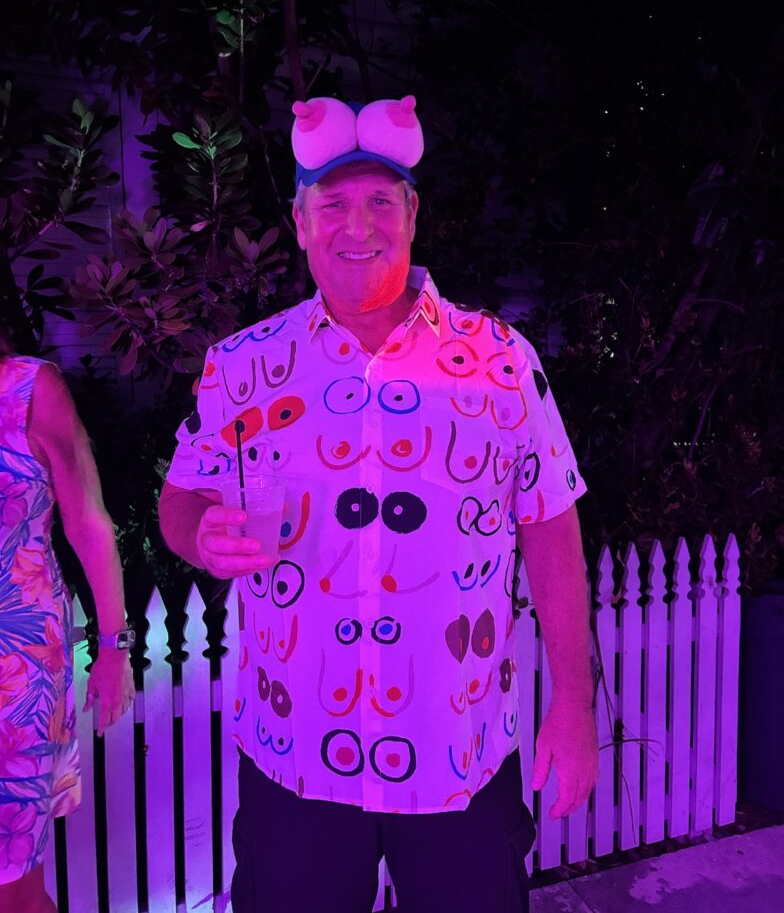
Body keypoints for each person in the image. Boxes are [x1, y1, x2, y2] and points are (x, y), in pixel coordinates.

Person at [159, 96, 599, 913]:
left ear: (412, 214)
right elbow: (181, 493)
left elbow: (551, 523)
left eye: (378, 201)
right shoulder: (242, 366)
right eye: (332, 203)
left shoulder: (500, 360)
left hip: (458, 752)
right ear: (299, 221)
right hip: (296, 760)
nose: (355, 225)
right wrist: (199, 536)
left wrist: (573, 705)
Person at [0, 332, 135, 913]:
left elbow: (88, 524)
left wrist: (113, 649)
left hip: (15, 676)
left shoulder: (29, 391)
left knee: (13, 887)